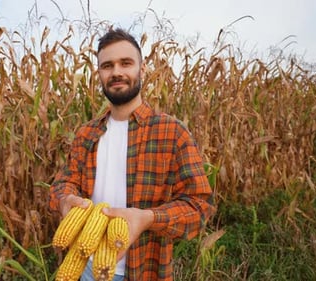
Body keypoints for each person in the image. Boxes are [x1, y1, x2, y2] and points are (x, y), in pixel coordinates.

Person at [49, 28, 215, 281]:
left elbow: (200, 207)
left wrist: (148, 218)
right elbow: (64, 183)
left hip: (143, 270)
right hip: (85, 267)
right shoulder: (86, 134)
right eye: (107, 66)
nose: (116, 72)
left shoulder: (172, 132)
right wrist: (65, 200)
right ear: (99, 74)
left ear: (142, 69)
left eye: (125, 63)